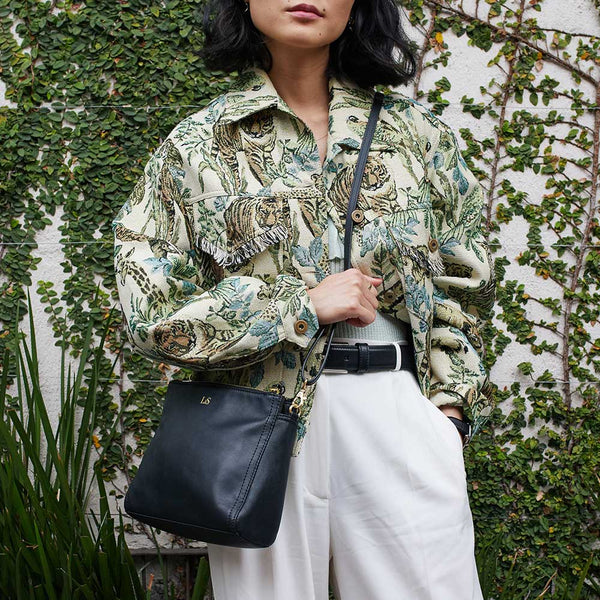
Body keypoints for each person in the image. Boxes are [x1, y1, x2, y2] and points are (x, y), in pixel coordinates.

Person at [113, 0, 496, 597]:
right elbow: (152, 312)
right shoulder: (196, 146)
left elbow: (464, 283)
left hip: (395, 412)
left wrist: (447, 416)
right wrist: (300, 306)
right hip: (256, 422)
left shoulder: (417, 136)